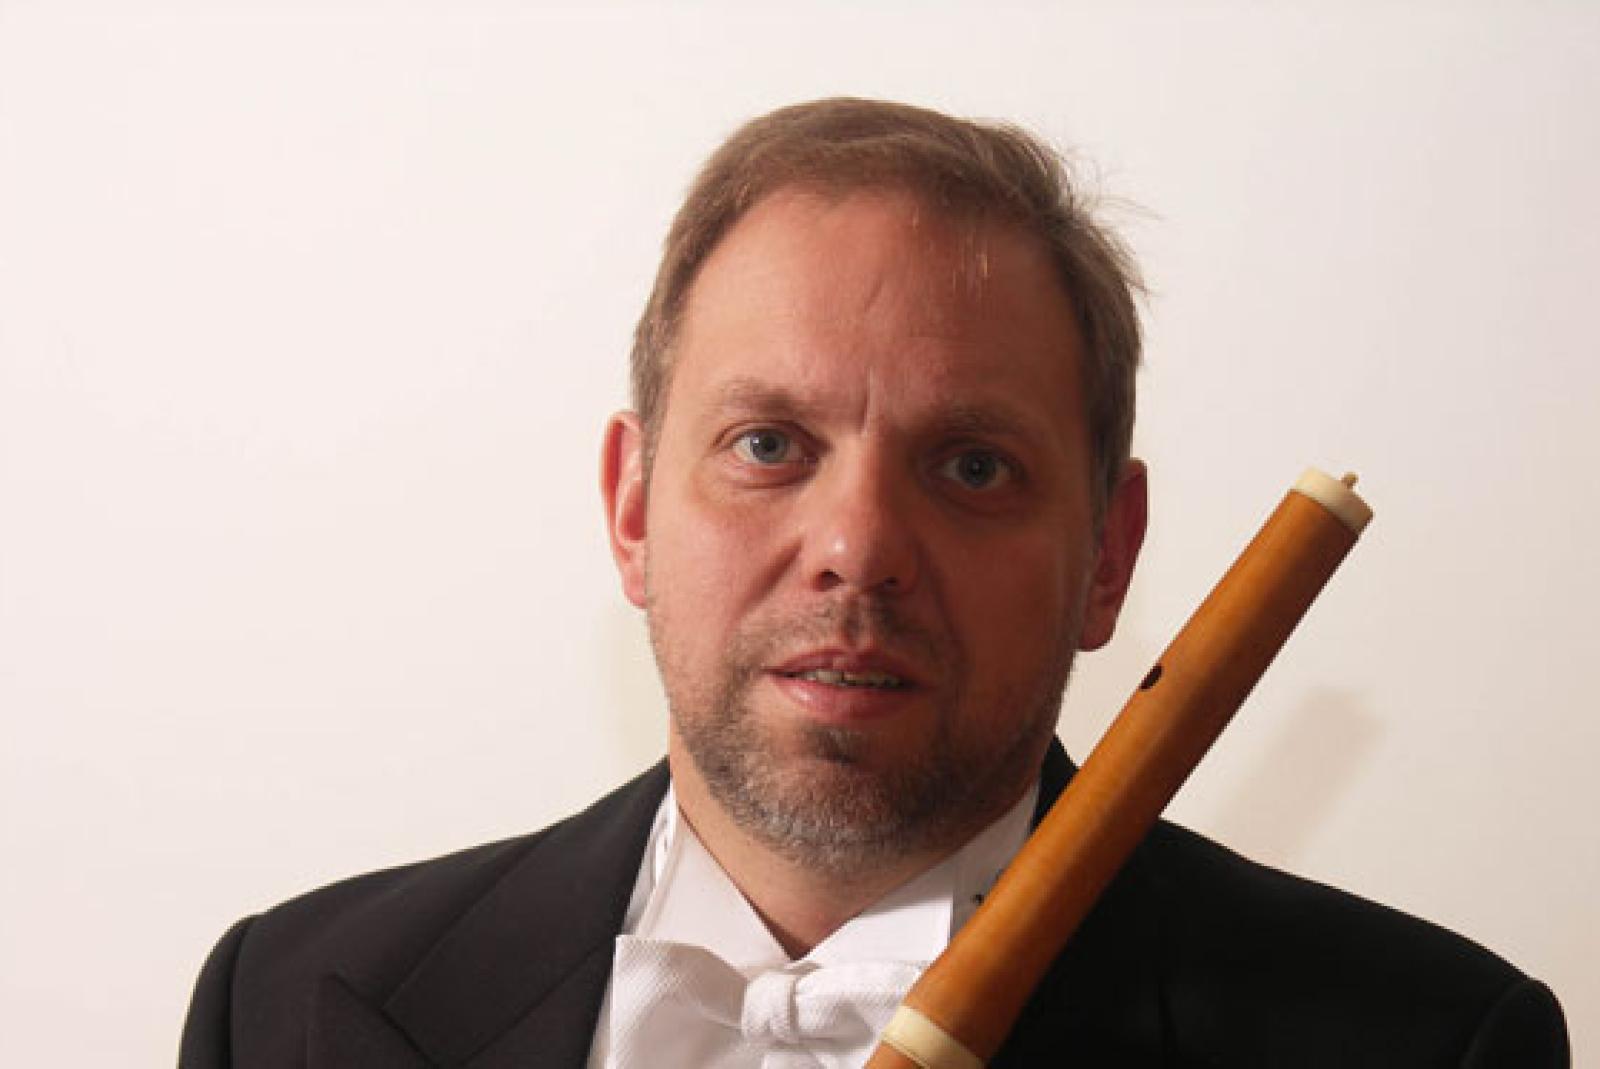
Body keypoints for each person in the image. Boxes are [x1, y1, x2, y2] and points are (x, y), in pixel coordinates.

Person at [179, 98, 1570, 1068]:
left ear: (1109, 555)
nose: (858, 544)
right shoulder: (286, 1005)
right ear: (632, 509)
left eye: (971, 465)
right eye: (768, 445)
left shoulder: (1426, 1043)